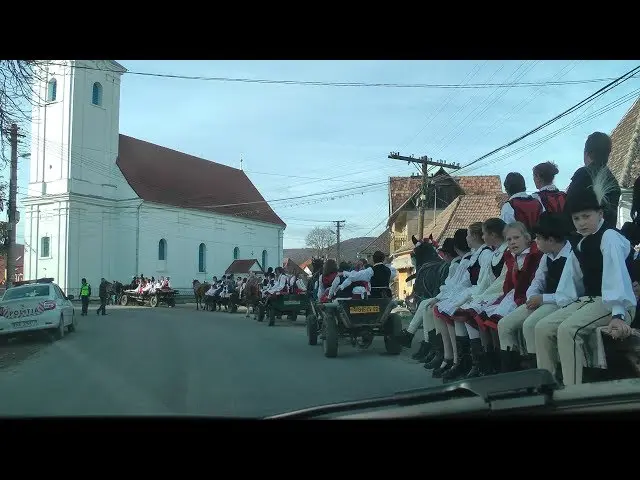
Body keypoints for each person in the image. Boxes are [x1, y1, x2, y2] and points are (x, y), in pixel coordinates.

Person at [535, 168, 636, 385]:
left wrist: (618, 314)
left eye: (586, 216)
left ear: (600, 214)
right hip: (590, 301)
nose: (581, 223)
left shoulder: (609, 237)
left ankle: (573, 392)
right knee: (542, 327)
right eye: (576, 218)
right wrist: (562, 303)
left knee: (568, 329)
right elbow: (571, 283)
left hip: (616, 302)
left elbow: (615, 276)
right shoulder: (580, 244)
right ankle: (547, 384)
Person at [497, 212, 572, 370]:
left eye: (538, 238)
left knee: (531, 325)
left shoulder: (570, 255)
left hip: (559, 301)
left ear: (550, 240)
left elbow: (569, 294)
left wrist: (542, 299)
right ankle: (509, 371)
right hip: (543, 300)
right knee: (504, 324)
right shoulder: (547, 255)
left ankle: (540, 369)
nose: (535, 241)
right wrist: (532, 296)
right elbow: (538, 280)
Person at [473, 221, 544, 373]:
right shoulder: (511, 256)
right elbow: (508, 285)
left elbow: (534, 282)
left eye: (516, 238)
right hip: (514, 296)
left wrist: (518, 275)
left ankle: (515, 365)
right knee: (487, 318)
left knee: (502, 323)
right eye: (509, 239)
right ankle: (498, 363)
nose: (512, 242)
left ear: (526, 238)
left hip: (530, 297)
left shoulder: (535, 255)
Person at [426, 223, 494, 377]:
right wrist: (445, 298)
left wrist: (462, 299)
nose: (467, 238)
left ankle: (474, 361)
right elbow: (462, 282)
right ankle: (460, 359)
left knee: (462, 313)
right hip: (472, 292)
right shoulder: (475, 255)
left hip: (482, 293)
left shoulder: (485, 255)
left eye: (469, 235)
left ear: (475, 236)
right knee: (450, 311)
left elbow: (483, 282)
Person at [400, 231, 470, 361]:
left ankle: (435, 348)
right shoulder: (458, 263)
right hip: (455, 295)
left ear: (449, 253)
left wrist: (439, 298)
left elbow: (454, 287)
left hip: (459, 297)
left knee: (427, 305)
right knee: (425, 305)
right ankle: (431, 345)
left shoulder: (457, 265)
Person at [565, 132, 620, 243]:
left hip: (582, 241)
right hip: (606, 239)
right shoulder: (613, 181)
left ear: (587, 153)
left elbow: (568, 209)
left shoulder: (583, 174)